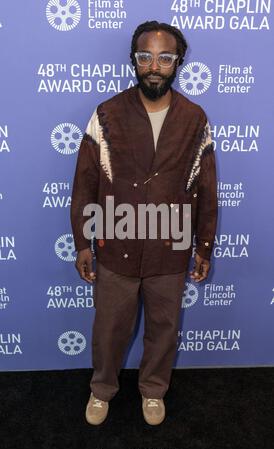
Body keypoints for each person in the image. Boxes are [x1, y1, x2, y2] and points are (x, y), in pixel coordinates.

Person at [70, 20, 217, 426]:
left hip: (170, 249)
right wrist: (84, 243)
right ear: (134, 61)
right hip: (116, 246)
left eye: (165, 57)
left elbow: (206, 188)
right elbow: (84, 183)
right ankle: (102, 390)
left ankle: (153, 390)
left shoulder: (194, 117)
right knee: (108, 331)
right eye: (145, 56)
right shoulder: (107, 113)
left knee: (164, 329)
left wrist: (203, 246)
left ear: (178, 62)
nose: (154, 65)